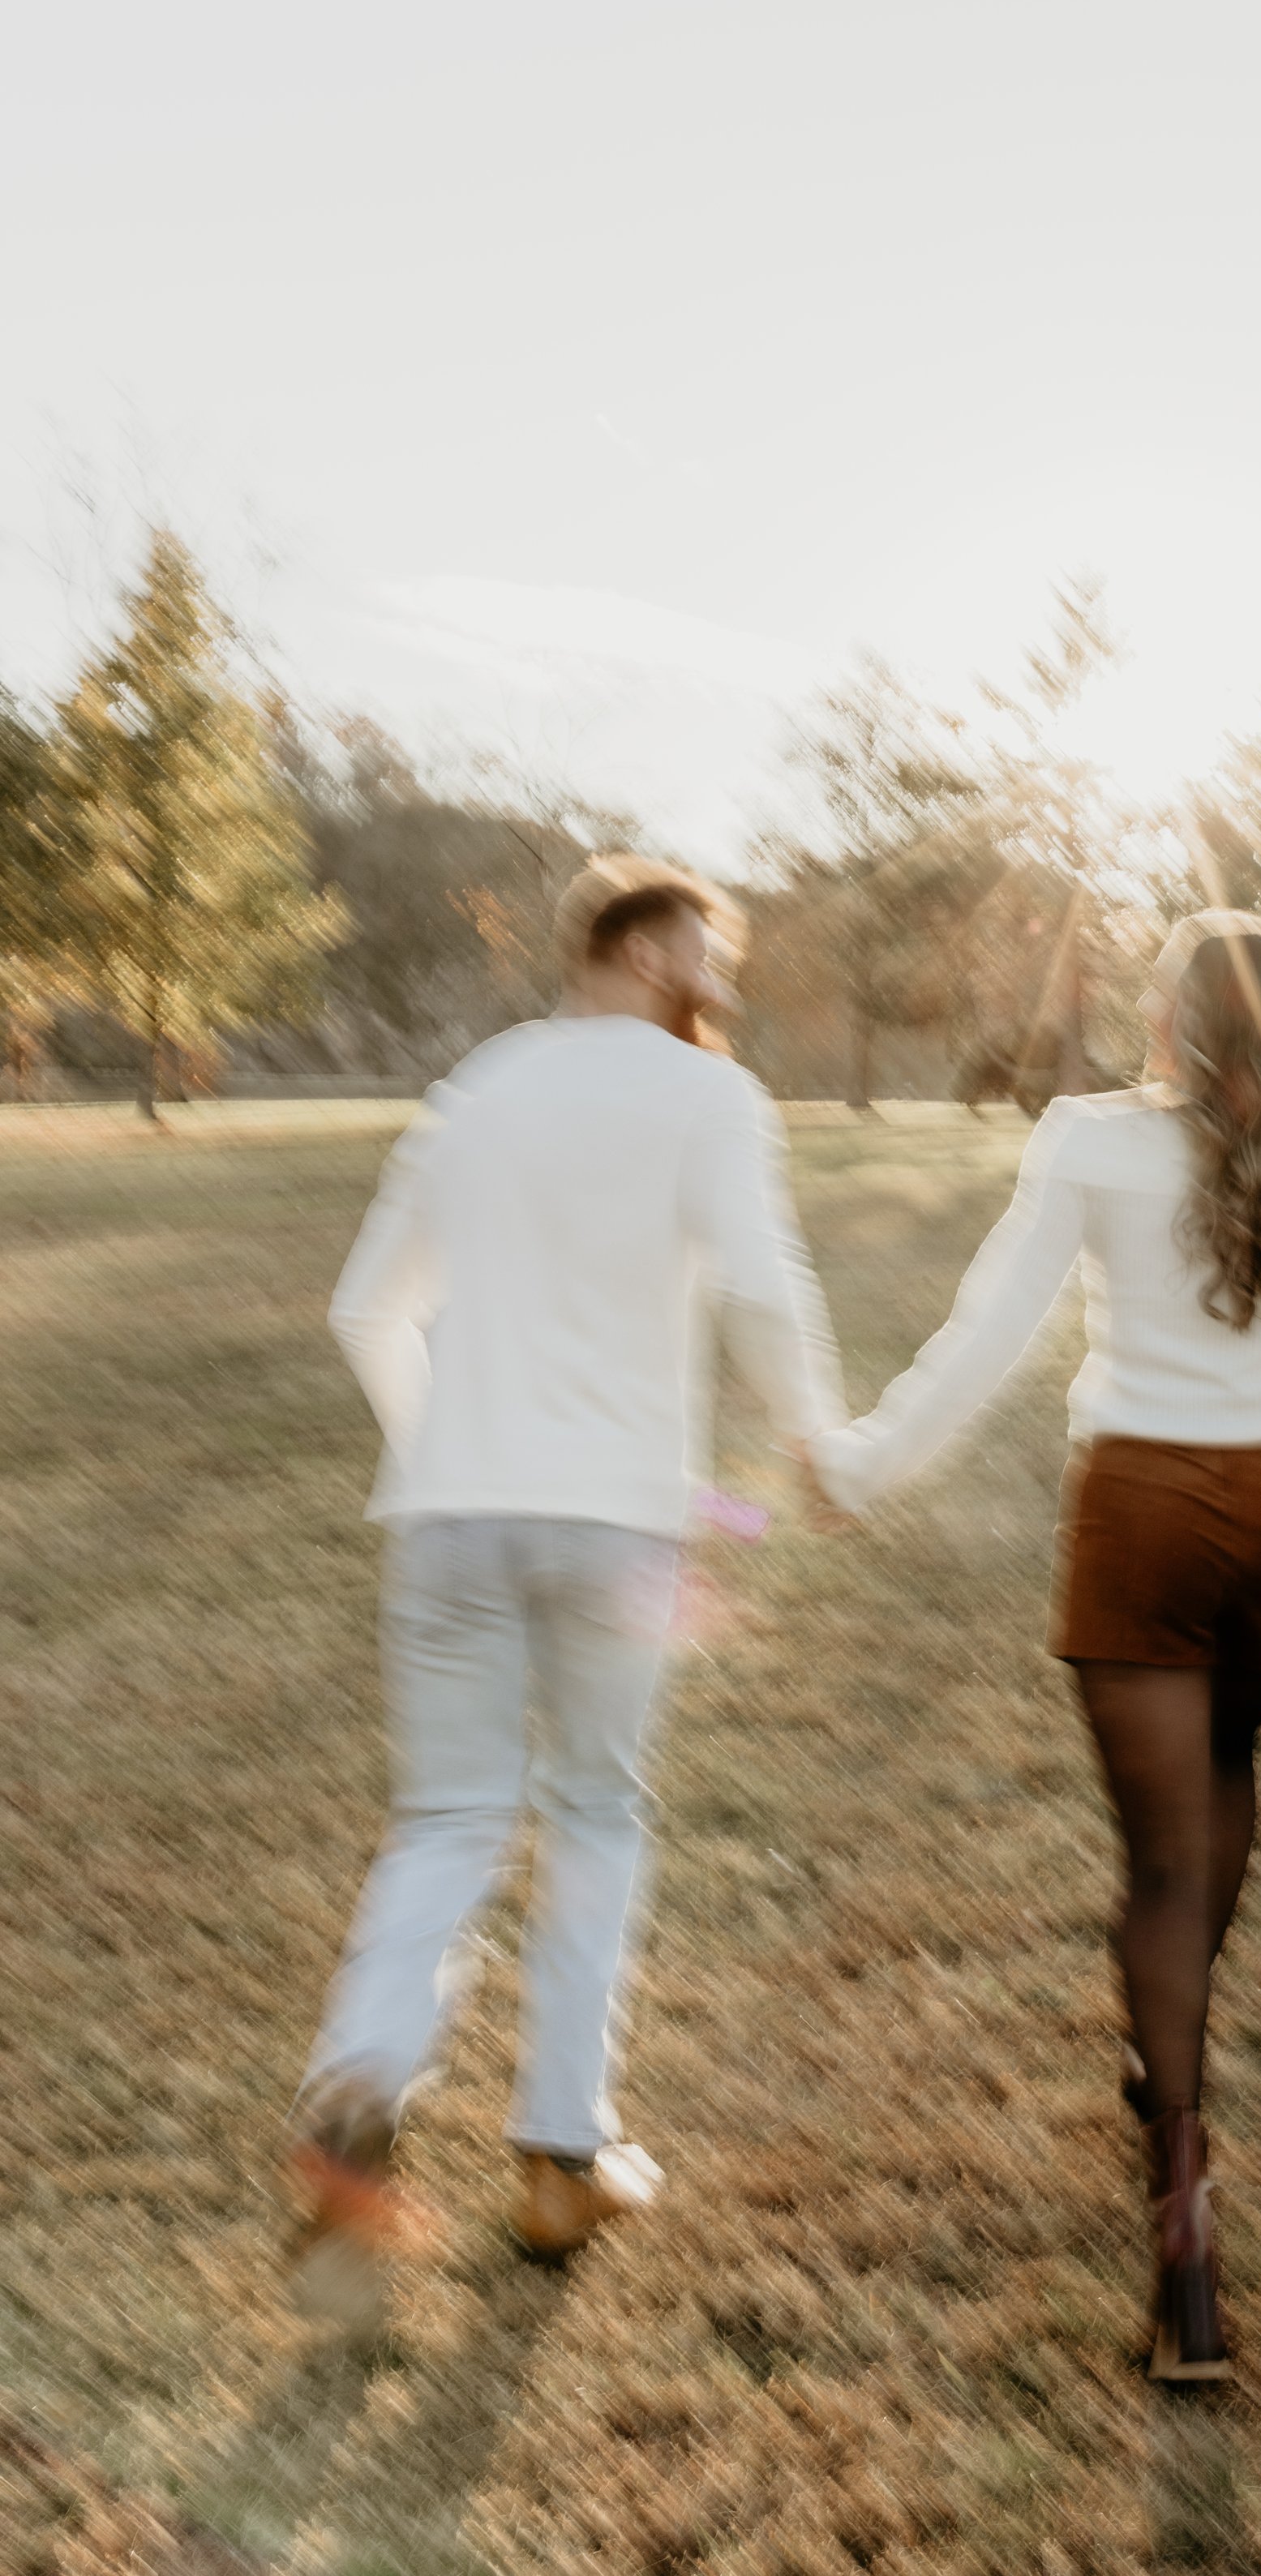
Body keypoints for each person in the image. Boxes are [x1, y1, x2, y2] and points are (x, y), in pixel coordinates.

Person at [808, 911, 1261, 2382]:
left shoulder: (1090, 1140)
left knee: (1156, 1863)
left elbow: (991, 1328)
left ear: (1171, 1022)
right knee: (1222, 1782)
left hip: (1143, 1509)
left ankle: (1183, 2216)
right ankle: (1168, 2043)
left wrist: (871, 1461)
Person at [288, 855, 842, 2322]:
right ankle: (559, 2155)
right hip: (613, 1522)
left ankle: (360, 2078)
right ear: (651, 945)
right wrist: (817, 1439)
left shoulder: (479, 1087)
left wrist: (453, 1451)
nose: (722, 978)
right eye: (712, 949)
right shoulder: (703, 1098)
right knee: (594, 1808)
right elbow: (762, 1284)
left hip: (451, 1516)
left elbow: (366, 1307)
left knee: (453, 1818)